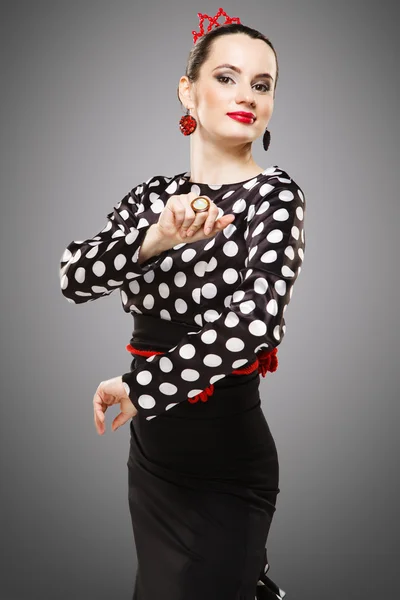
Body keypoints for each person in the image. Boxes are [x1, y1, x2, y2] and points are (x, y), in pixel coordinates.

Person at [59, 7, 306, 599]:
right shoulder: (150, 199)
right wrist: (157, 239)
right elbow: (73, 278)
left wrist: (140, 388)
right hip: (155, 467)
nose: (246, 94)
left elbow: (255, 326)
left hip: (227, 462)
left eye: (261, 83)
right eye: (226, 77)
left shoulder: (274, 195)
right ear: (187, 91)